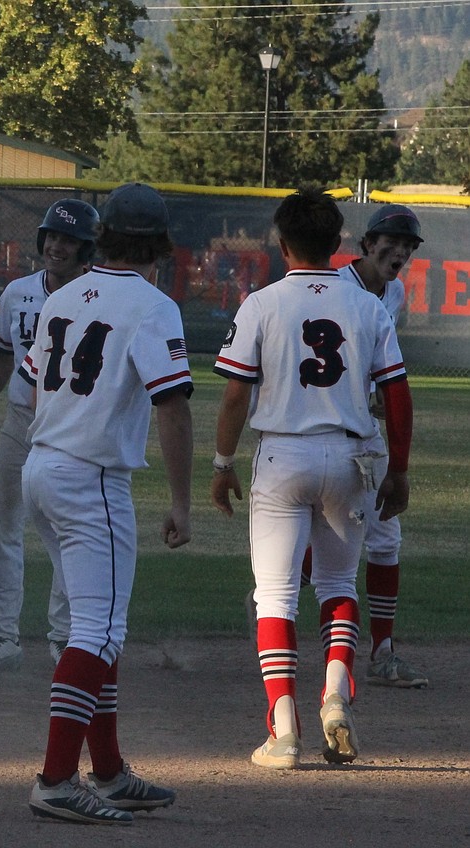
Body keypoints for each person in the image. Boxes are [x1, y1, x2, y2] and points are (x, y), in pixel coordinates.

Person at [211, 187, 412, 769]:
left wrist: (223, 464)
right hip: (351, 458)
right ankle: (334, 695)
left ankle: (283, 729)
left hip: (283, 455)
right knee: (338, 587)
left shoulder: (262, 302)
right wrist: (397, 470)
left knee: (275, 596)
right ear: (340, 244)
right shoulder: (368, 306)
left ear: (281, 244)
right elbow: (397, 395)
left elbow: (233, 396)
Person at [23, 183, 190, 825]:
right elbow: (171, 409)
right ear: (158, 244)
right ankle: (57, 778)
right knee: (97, 629)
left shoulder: (60, 295)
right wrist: (181, 501)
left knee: (87, 624)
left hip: (43, 467)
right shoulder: (152, 305)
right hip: (89, 479)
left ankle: (110, 771)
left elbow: (39, 387)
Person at [0, 199, 95, 673]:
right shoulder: (19, 291)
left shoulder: (98, 298)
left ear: (87, 250)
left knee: (65, 535)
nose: (57, 246)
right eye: (52, 237)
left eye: (69, 240)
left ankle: (63, 639)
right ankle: (4, 637)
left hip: (71, 431)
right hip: (20, 426)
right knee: (0, 523)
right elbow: (2, 356)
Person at [326, 204, 427, 688]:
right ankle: (270, 600)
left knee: (385, 536)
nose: (401, 251)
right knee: (329, 537)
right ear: (365, 245)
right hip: (326, 430)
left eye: (408, 245)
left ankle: (383, 650)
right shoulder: (336, 288)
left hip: (366, 431)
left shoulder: (395, 292)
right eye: (391, 241)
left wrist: (378, 400)